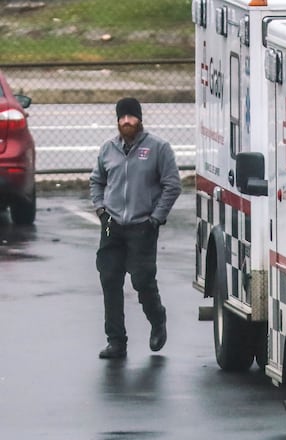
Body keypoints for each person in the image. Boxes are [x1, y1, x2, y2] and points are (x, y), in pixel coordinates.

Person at [89, 97, 182, 359]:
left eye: (131, 117)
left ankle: (157, 319)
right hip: (112, 225)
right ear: (117, 120)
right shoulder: (108, 148)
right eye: (122, 117)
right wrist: (100, 209)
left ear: (140, 119)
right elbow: (96, 181)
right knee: (110, 279)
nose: (127, 121)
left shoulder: (158, 148)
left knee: (142, 280)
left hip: (143, 225)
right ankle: (116, 341)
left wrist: (156, 217)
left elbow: (172, 185)